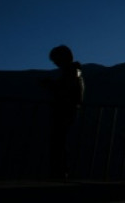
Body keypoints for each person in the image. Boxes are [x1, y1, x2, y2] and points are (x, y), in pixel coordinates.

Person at [42, 44, 85, 179]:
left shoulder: (71, 72)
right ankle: (60, 172)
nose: (55, 63)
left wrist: (51, 86)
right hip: (69, 110)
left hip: (65, 110)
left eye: (55, 59)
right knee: (60, 141)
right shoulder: (75, 71)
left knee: (58, 142)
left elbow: (66, 89)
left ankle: (59, 173)